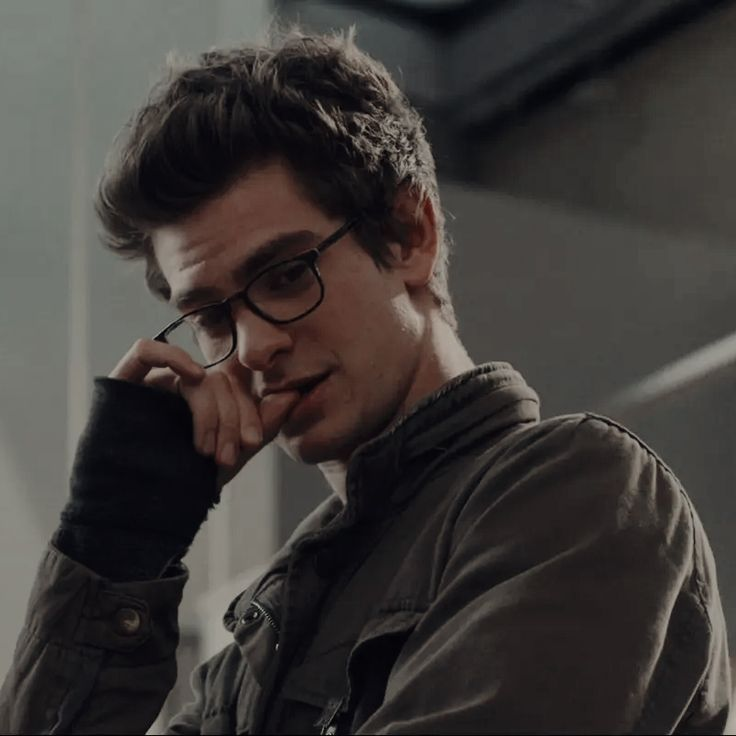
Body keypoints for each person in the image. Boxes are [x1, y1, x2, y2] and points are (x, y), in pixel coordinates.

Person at [0, 26, 731, 735]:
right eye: (212, 316)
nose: (252, 348)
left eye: (287, 275)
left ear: (411, 233)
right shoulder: (258, 646)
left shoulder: (580, 493)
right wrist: (112, 550)